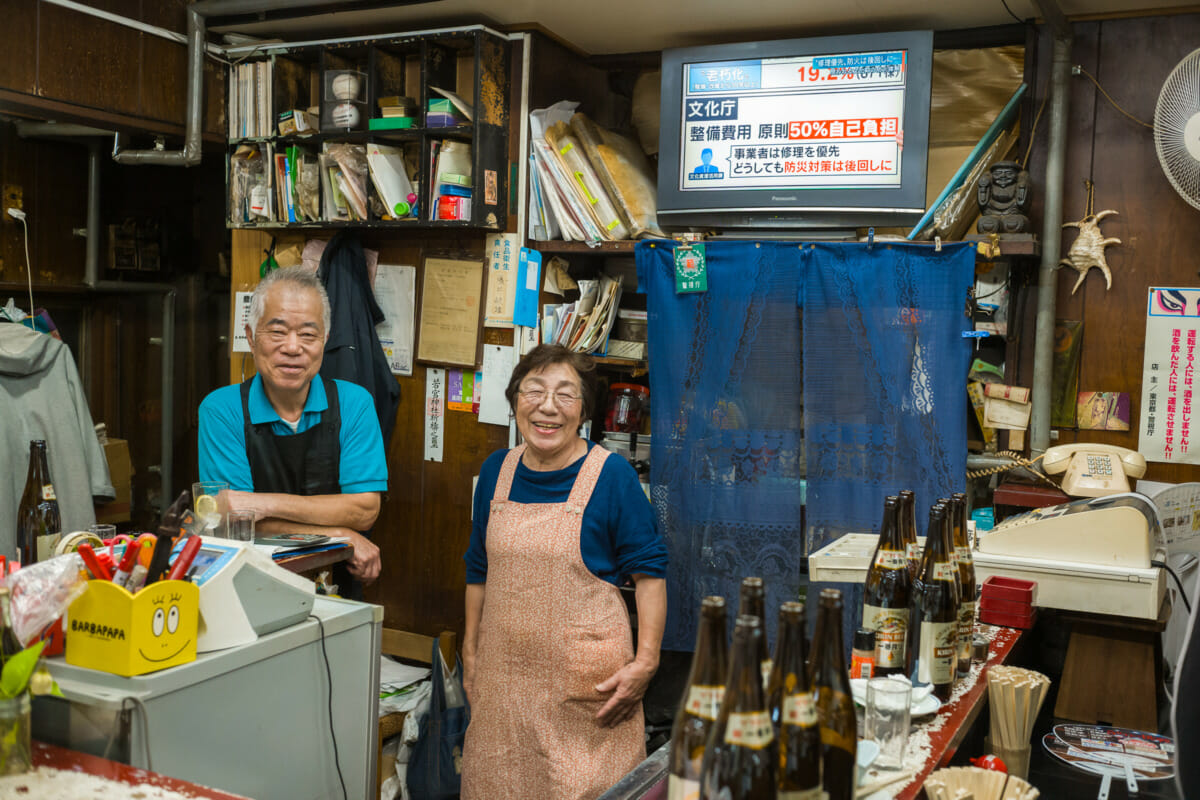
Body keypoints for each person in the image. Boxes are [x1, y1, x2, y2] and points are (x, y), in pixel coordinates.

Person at [461, 344, 667, 800]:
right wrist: (470, 651)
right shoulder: (496, 470)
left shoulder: (612, 476)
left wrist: (646, 662)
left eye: (565, 394)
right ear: (515, 401)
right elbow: (478, 568)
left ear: (583, 411)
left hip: (587, 704)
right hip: (502, 694)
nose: (547, 406)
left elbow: (650, 574)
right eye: (533, 390)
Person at [198, 267, 385, 593]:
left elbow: (364, 509)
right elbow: (234, 519)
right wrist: (340, 534)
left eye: (308, 334)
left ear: (325, 341)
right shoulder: (222, 410)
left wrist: (264, 505)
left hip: (335, 584)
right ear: (251, 336)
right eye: (278, 331)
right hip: (249, 583)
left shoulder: (354, 404)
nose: (293, 347)